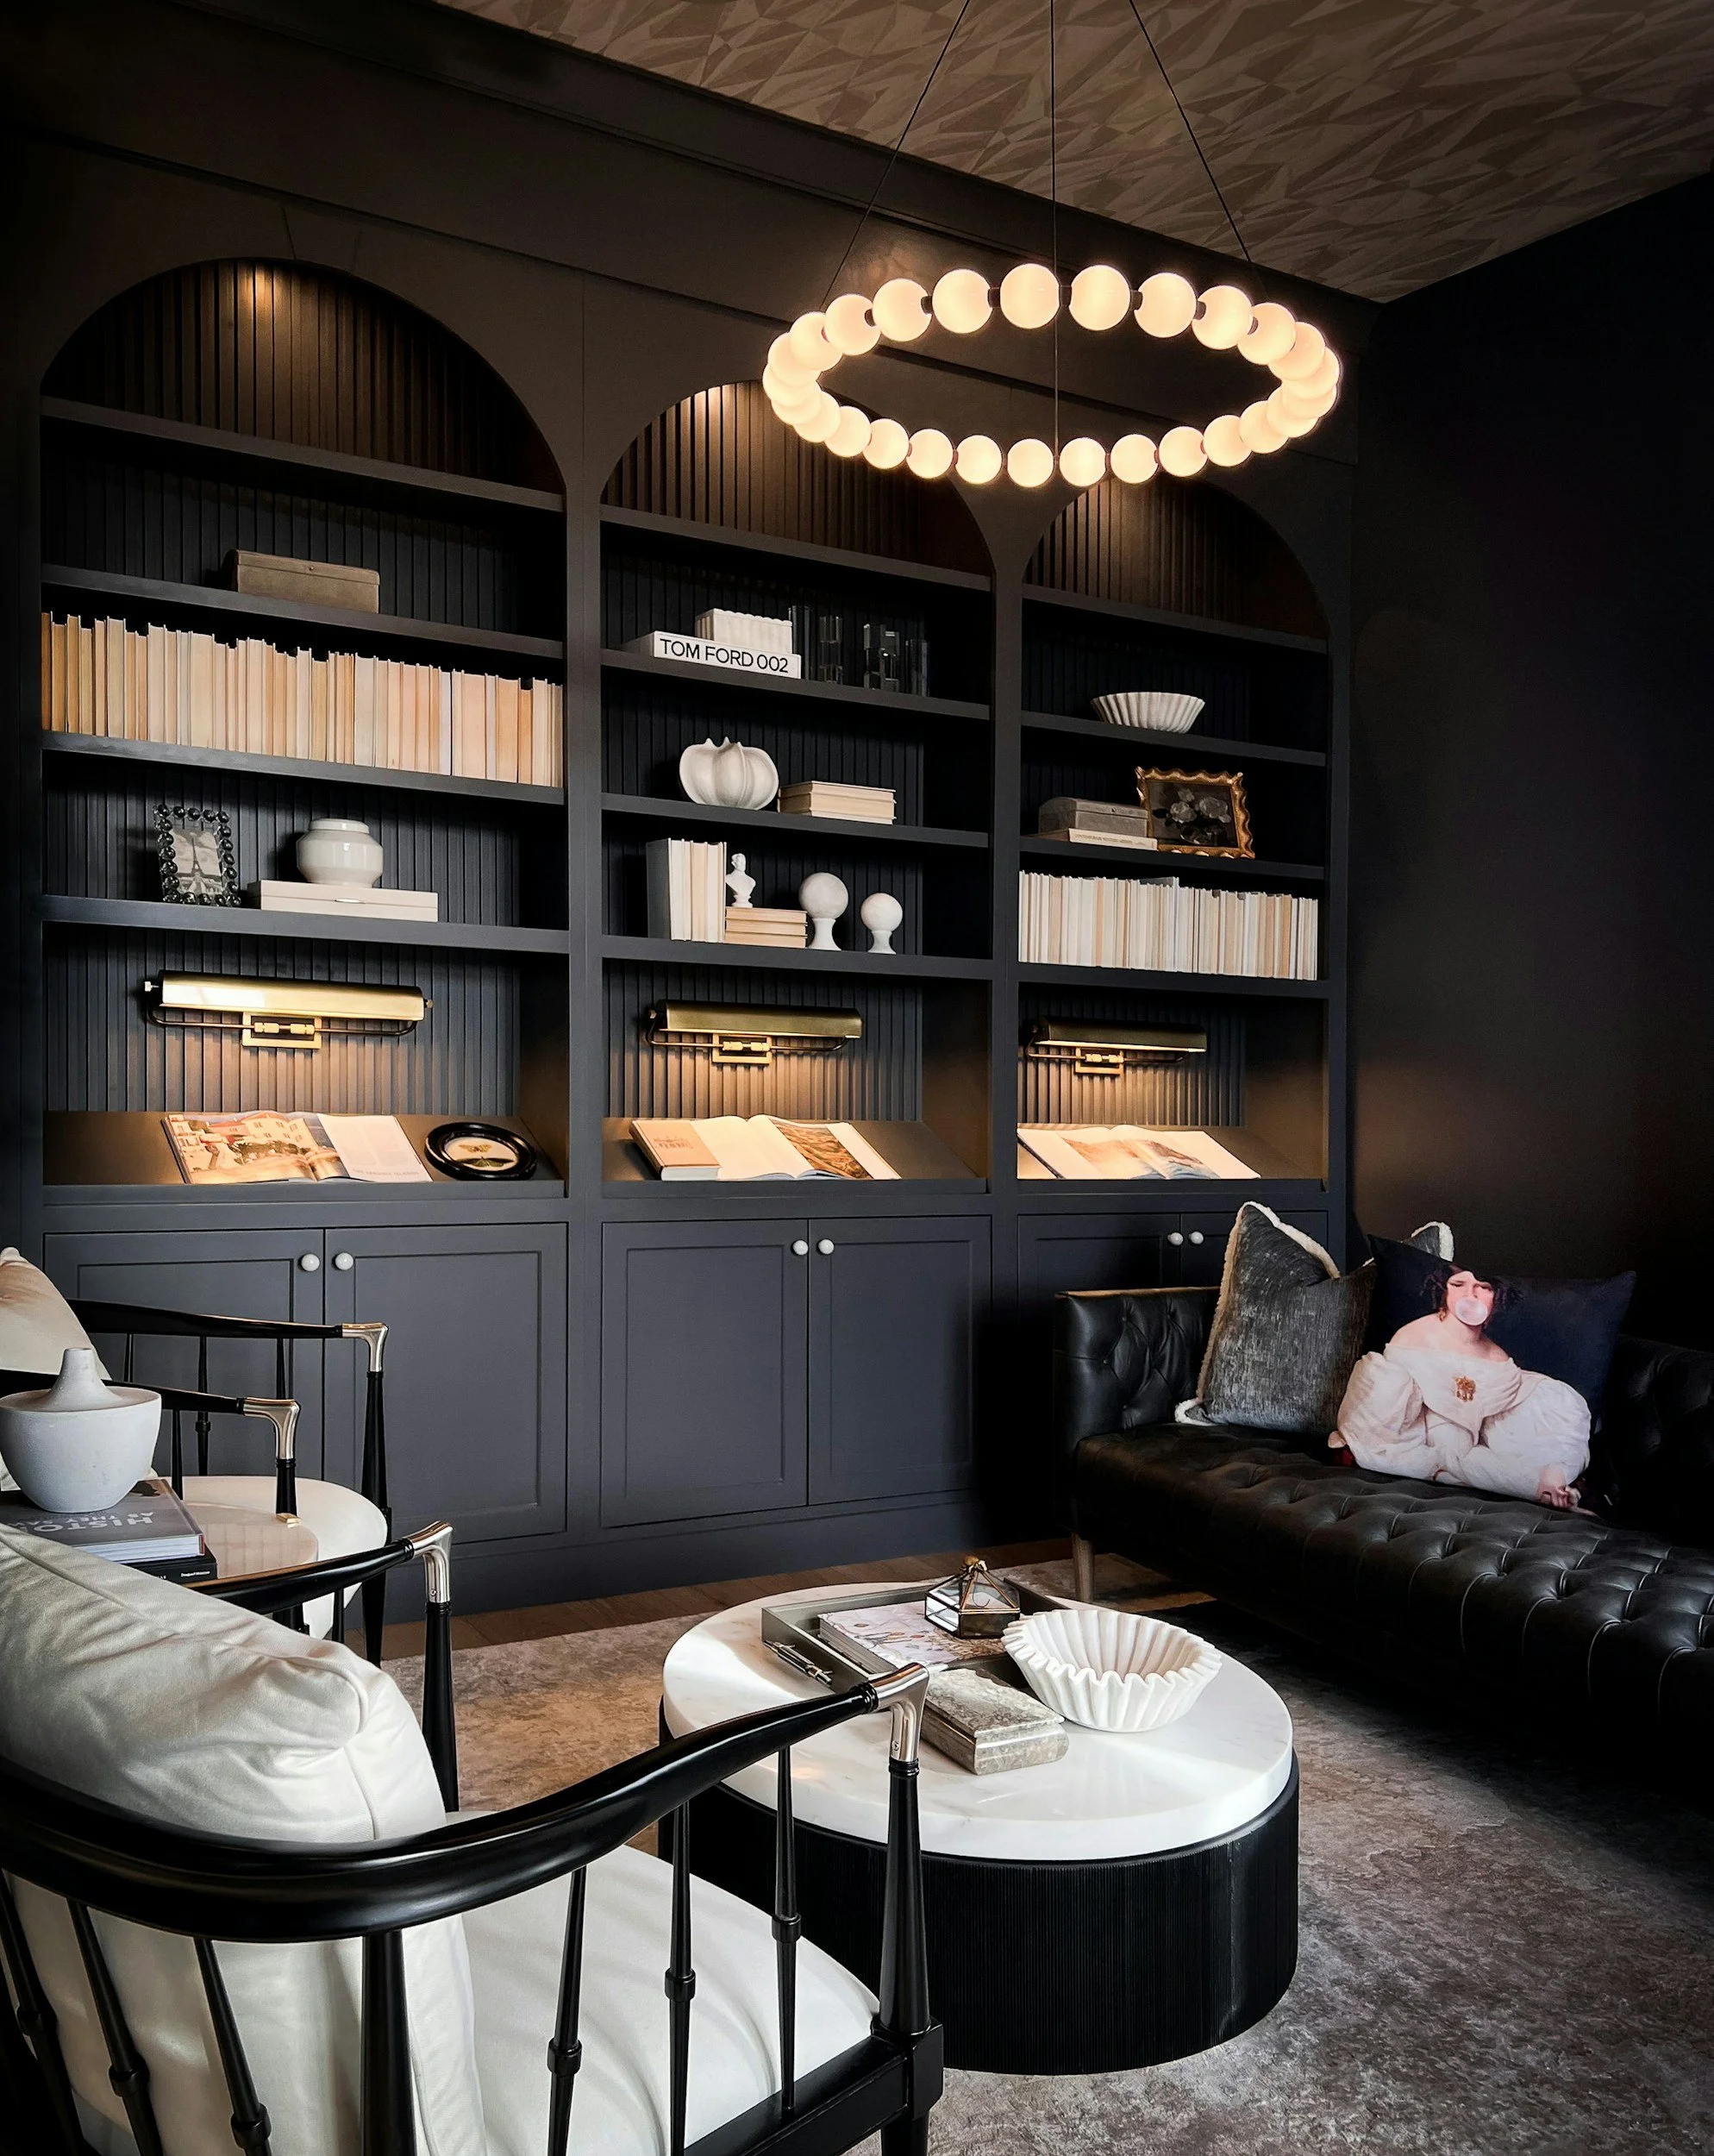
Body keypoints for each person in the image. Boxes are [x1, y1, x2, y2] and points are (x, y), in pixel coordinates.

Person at [1334, 1264, 1588, 1507]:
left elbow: (1483, 1407)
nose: (1471, 1294)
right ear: (1444, 1292)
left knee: (1557, 1399)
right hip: (1421, 1428)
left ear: (1495, 1298)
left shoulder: (1497, 1357)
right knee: (1450, 1449)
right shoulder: (1414, 1337)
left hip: (1476, 1437)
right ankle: (1539, 1485)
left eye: (1483, 1287)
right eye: (1458, 1284)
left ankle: (1551, 1480)